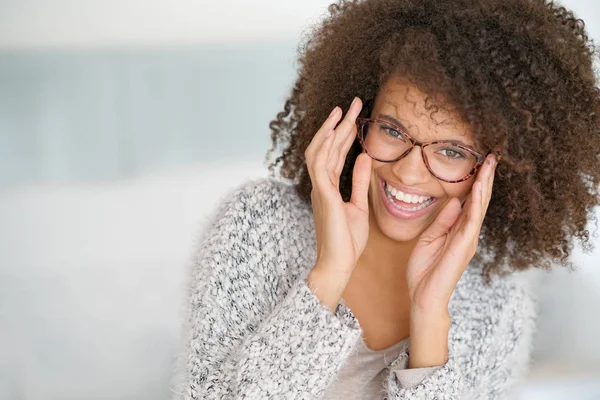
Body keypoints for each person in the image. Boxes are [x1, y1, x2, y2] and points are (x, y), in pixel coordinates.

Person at [172, 0, 600, 398]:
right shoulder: (256, 224)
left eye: (451, 151)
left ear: (494, 170)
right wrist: (329, 274)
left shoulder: (497, 304)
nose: (409, 172)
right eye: (393, 130)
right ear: (355, 122)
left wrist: (430, 318)